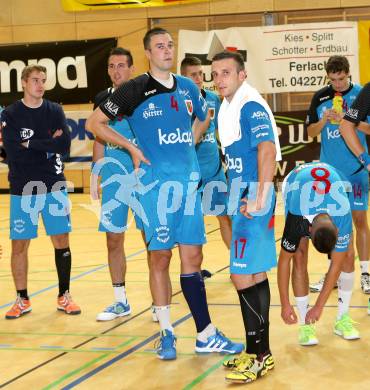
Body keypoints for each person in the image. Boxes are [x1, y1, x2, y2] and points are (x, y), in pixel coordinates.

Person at [86, 27, 243, 360]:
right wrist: (129, 146)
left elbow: (204, 117)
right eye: (160, 46)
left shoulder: (187, 86)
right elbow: (94, 124)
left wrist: (191, 141)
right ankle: (167, 332)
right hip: (155, 188)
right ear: (148, 52)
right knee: (161, 257)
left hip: (186, 187)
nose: (167, 50)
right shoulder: (133, 89)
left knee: (194, 259)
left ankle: (205, 334)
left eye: (170, 45)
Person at [211, 51, 280, 384]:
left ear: (242, 75)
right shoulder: (227, 107)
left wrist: (260, 195)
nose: (220, 79)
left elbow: (267, 149)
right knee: (252, 275)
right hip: (243, 198)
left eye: (226, 73)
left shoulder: (250, 104)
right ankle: (259, 353)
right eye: (216, 74)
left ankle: (259, 354)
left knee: (241, 275)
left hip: (254, 199)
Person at [1, 65, 80, 319]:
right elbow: (12, 153)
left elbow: (65, 146)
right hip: (22, 186)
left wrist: (30, 144)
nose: (40, 85)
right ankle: (22, 299)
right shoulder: (11, 114)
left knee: (61, 241)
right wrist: (47, 146)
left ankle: (64, 295)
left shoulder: (54, 110)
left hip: (54, 184)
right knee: (19, 245)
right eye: (35, 80)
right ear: (24, 83)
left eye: (43, 80)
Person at [90, 47, 160, 321]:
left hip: (143, 177)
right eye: (111, 66)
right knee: (113, 239)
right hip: (114, 180)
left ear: (132, 68)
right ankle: (120, 301)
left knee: (150, 239)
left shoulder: (144, 97)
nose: (116, 71)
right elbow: (98, 136)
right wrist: (96, 174)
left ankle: (158, 300)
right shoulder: (101, 99)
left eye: (121, 65)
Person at [278, 162, 360, 346]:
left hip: (336, 178)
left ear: (337, 230)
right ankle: (304, 324)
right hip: (296, 181)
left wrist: (318, 307)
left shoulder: (342, 212)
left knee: (347, 257)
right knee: (299, 255)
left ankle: (342, 319)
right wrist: (285, 304)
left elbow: (336, 264)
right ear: (308, 229)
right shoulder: (297, 214)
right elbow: (284, 261)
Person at [306, 56, 370, 294]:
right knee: (332, 228)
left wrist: (347, 120)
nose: (337, 84)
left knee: (360, 222)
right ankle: (332, 276)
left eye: (341, 79)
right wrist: (324, 120)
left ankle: (366, 274)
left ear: (348, 73)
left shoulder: (362, 94)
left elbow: (369, 128)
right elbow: (311, 132)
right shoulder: (321, 97)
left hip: (356, 171)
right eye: (332, 79)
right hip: (330, 177)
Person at [180, 56, 232, 249]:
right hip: (191, 174)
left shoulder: (212, 100)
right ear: (182, 77)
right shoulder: (177, 102)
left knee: (225, 217)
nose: (199, 78)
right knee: (195, 225)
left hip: (214, 172)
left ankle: (237, 263)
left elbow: (223, 131)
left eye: (201, 74)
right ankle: (196, 270)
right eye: (193, 75)